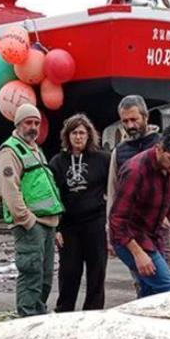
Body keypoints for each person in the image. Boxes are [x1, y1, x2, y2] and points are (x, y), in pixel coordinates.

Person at [107, 94, 170, 288]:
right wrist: (109, 232)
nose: (130, 125)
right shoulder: (121, 153)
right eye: (125, 121)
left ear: (145, 117)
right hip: (132, 229)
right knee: (147, 280)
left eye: (134, 119)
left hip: (163, 225)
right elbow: (113, 193)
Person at [0, 103, 64, 317]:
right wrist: (26, 220)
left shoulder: (35, 149)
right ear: (18, 124)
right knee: (31, 273)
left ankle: (39, 314)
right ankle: (27, 317)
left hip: (46, 223)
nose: (33, 127)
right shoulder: (10, 151)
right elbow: (9, 187)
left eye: (36, 122)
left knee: (44, 277)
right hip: (30, 224)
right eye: (28, 123)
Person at [49, 114, 111, 312]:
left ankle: (93, 312)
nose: (78, 137)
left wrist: (111, 222)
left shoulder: (103, 159)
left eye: (82, 133)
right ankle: (64, 311)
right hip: (69, 225)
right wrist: (55, 228)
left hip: (95, 221)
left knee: (97, 271)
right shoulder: (58, 162)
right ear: (68, 136)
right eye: (74, 133)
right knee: (69, 272)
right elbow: (53, 196)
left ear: (89, 135)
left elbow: (114, 189)